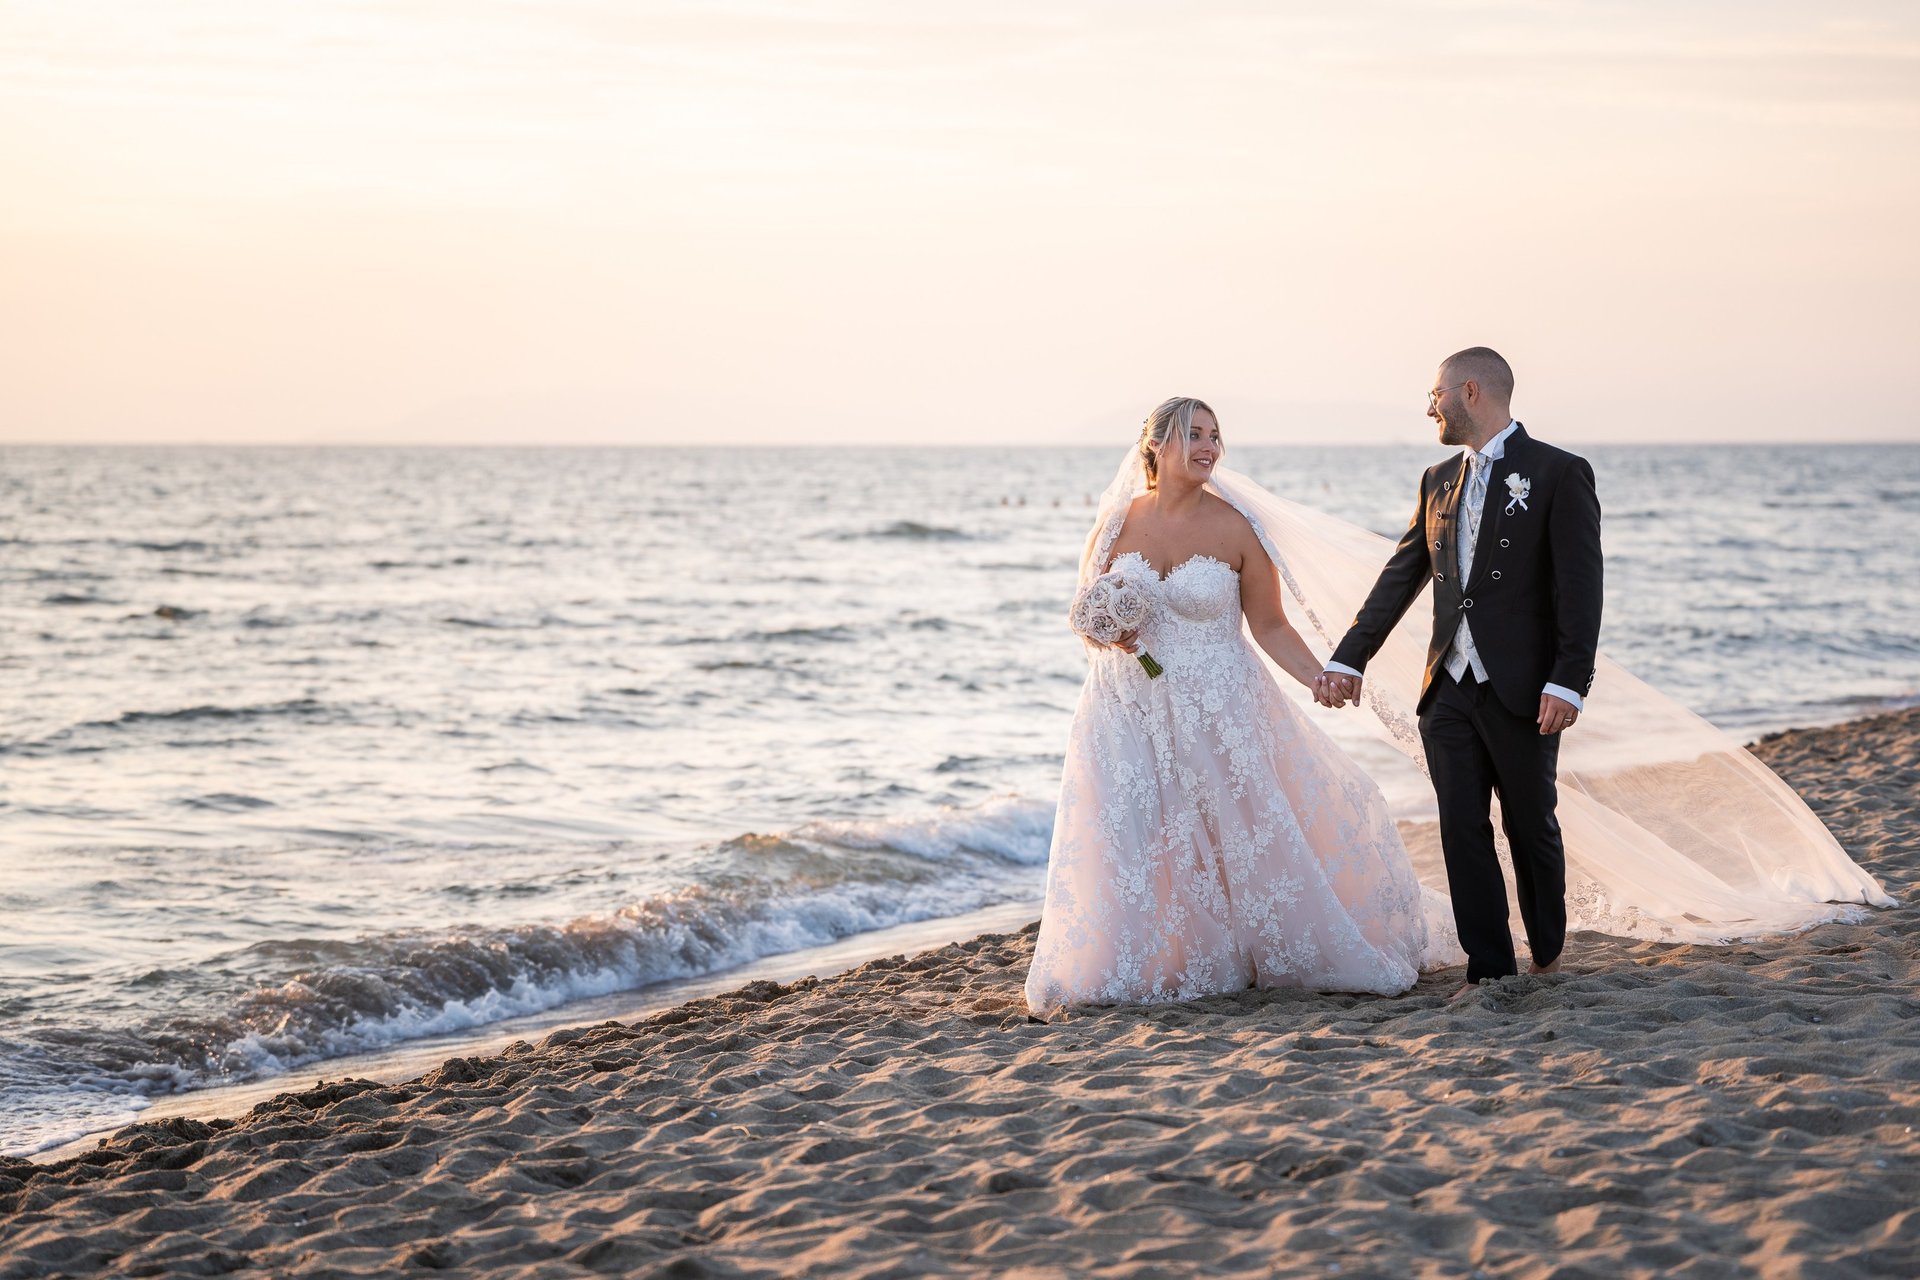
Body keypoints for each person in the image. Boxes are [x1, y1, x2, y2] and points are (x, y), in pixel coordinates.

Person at [1022, 398, 1446, 1016]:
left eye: (1215, 436)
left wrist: (1319, 678)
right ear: (1156, 446)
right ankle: (1151, 953)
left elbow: (1271, 627)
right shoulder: (1114, 525)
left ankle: (1247, 950)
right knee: (1139, 835)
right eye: (1193, 434)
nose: (1208, 446)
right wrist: (1105, 630)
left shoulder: (1237, 528)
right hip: (1125, 706)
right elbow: (1086, 615)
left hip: (1220, 705)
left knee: (1239, 833)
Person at [1319, 347, 1599, 997]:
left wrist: (1567, 680)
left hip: (1525, 689)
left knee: (1530, 822)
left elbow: (1582, 589)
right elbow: (1401, 576)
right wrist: (1347, 657)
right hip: (1447, 686)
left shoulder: (1558, 472)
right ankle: (1490, 965)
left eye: (1435, 394)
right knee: (1459, 824)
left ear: (1470, 392)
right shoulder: (1437, 478)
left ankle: (1548, 950)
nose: (1428, 407)